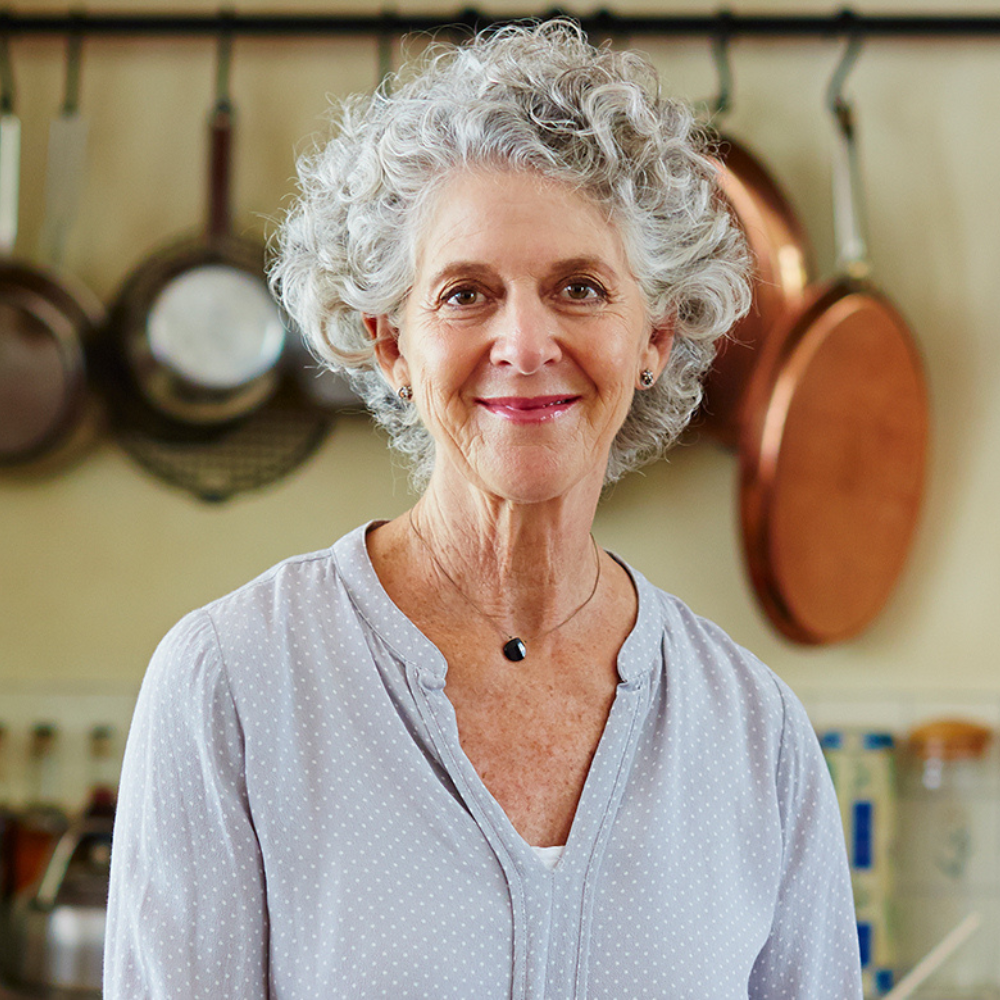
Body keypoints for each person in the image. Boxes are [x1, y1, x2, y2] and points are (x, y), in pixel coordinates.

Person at [104, 20, 863, 999]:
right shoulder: (236, 683)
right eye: (466, 295)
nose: (524, 340)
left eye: (579, 288)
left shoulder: (751, 732)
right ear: (388, 344)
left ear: (656, 339)